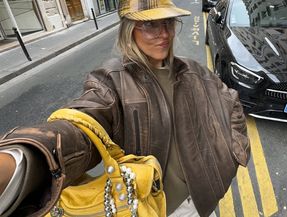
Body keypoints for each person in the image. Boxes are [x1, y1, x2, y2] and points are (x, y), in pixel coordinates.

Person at [0, 0, 250, 216]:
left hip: (202, 201)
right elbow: (84, 123)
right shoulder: (111, 80)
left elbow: (232, 102)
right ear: (129, 31)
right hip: (151, 208)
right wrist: (23, 157)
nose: (163, 33)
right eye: (149, 24)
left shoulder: (193, 71)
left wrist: (234, 152)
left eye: (168, 22)